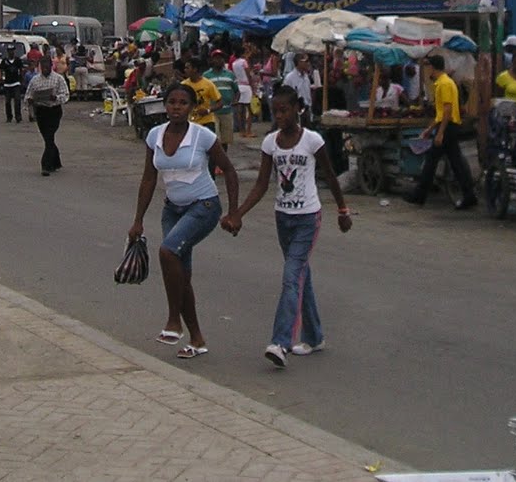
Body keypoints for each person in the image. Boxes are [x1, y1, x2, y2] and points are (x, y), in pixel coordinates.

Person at [222, 85, 352, 368]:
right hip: (283, 218)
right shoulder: (270, 143)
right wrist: (238, 213)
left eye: (284, 110)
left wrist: (343, 210)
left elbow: (329, 176)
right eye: (275, 111)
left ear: (297, 109)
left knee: (291, 276)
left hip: (308, 218)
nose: (279, 115)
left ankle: (281, 342)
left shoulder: (312, 140)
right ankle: (315, 336)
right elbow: (261, 184)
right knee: (300, 273)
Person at [127, 81, 240, 360]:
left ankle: (173, 320)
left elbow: (228, 170)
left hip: (204, 206)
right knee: (181, 275)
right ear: (165, 105)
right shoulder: (154, 136)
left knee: (167, 251)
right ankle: (197, 339)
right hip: (172, 209)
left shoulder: (202, 136)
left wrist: (234, 212)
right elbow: (149, 177)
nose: (176, 108)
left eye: (183, 103)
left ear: (192, 108)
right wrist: (137, 220)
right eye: (172, 102)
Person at [404, 53, 477, 209]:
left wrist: (440, 132)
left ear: (432, 67)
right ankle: (468, 194)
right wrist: (429, 129)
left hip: (448, 126)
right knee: (453, 161)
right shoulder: (444, 82)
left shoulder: (444, 84)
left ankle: (420, 195)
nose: (427, 70)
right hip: (448, 125)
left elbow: (447, 110)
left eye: (428, 67)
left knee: (434, 161)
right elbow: (441, 113)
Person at [26, 56, 70, 176]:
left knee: (49, 136)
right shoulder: (35, 80)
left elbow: (65, 95)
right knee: (48, 138)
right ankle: (56, 161)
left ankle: (46, 165)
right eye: (42, 66)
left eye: (47, 66)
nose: (45, 69)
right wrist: (30, 101)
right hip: (41, 111)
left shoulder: (58, 79)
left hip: (54, 111)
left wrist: (56, 98)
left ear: (51, 66)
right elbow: (28, 95)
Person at [205, 49, 237, 147]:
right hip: (213, 112)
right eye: (216, 58)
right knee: (215, 138)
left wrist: (235, 101)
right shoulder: (206, 76)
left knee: (225, 140)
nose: (219, 60)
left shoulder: (230, 74)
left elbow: (236, 90)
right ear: (212, 60)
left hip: (227, 111)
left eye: (221, 58)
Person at [180, 57, 221, 129]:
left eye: (187, 68)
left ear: (195, 69)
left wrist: (208, 110)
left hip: (207, 122)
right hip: (190, 123)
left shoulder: (208, 84)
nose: (185, 70)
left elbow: (220, 103)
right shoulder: (183, 85)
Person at [283, 52, 319, 123]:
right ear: (299, 62)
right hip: (295, 111)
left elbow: (308, 94)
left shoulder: (306, 77)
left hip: (307, 109)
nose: (308, 64)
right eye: (306, 61)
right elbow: (285, 95)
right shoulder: (289, 78)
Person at [1, 47, 25, 123]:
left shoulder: (18, 60)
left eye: (12, 51)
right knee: (7, 102)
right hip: (7, 84)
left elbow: (21, 70)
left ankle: (18, 117)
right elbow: (1, 70)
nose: (11, 52)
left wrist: (21, 80)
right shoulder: (4, 61)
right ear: (7, 52)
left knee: (17, 101)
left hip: (16, 83)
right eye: (9, 51)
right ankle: (9, 117)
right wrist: (2, 79)